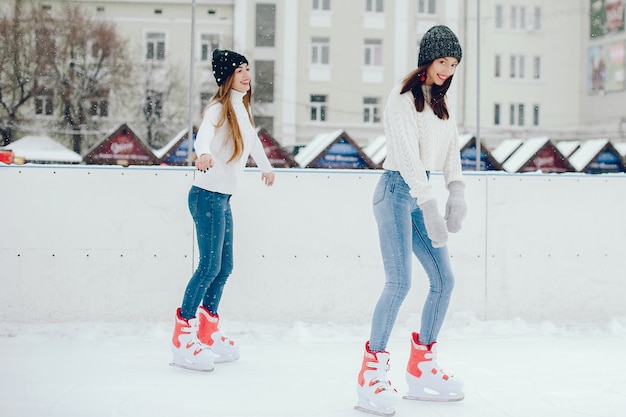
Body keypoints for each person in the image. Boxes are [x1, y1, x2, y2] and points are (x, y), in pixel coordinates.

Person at [355, 25, 466, 415]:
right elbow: (406, 156)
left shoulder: (442, 104)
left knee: (444, 279)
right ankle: (371, 370)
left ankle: (421, 366)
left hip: (422, 196)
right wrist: (430, 204)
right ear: (427, 60)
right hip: (395, 193)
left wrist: (456, 189)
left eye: (453, 65)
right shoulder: (402, 99)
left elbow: (451, 149)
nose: (447, 70)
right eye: (442, 62)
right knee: (400, 282)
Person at [170, 49, 275, 372]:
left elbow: (253, 142)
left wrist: (266, 166)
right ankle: (183, 334)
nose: (246, 75)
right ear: (226, 77)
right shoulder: (218, 108)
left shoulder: (240, 108)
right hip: (206, 195)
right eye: (239, 70)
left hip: (222, 197)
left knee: (224, 266)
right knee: (209, 266)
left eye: (247, 69)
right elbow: (203, 135)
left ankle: (207, 328)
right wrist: (201, 154)